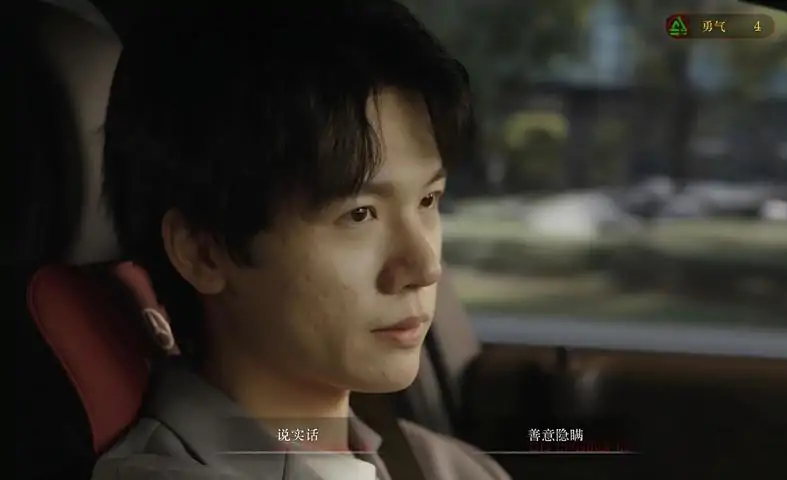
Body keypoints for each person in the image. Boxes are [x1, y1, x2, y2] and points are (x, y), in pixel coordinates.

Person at [91, 1, 510, 479]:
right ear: (203, 252)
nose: (425, 266)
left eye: (428, 200)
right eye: (359, 214)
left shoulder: (451, 467)